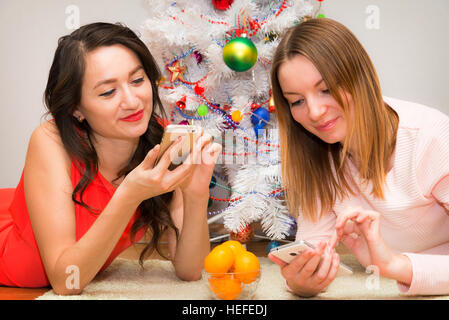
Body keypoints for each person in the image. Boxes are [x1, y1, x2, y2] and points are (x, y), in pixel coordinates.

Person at [0, 22, 221, 295]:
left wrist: (196, 195)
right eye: (108, 92)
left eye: (138, 80)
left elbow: (190, 271)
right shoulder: (50, 141)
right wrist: (129, 194)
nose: (132, 101)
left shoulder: (162, 140)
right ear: (76, 109)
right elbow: (65, 281)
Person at [268, 18, 449, 297]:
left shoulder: (431, 137)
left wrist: (394, 265)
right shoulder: (316, 156)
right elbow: (313, 250)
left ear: (359, 77)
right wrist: (301, 282)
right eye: (297, 101)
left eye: (326, 89)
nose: (314, 112)